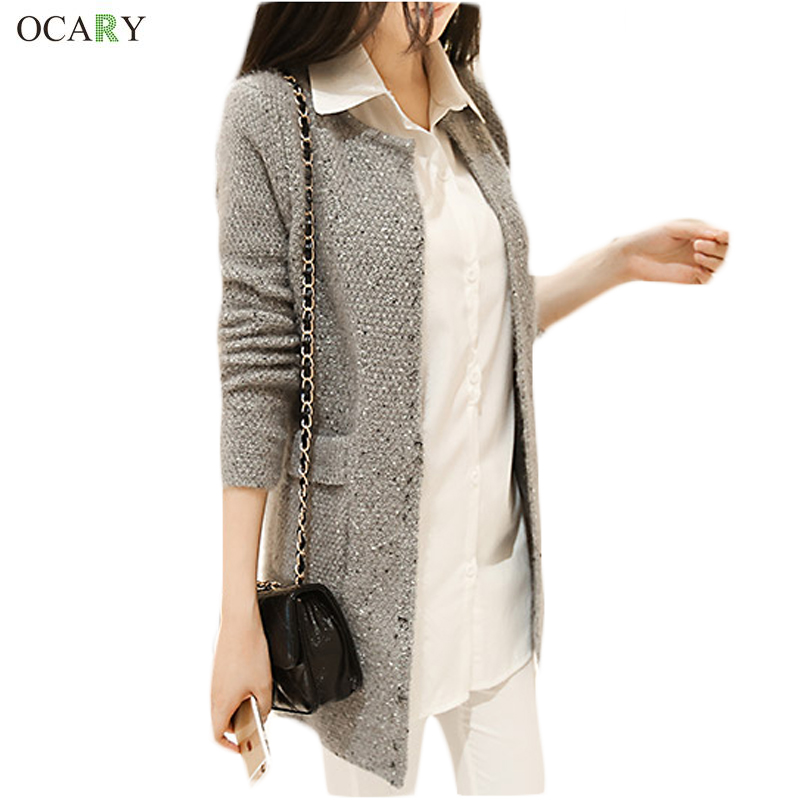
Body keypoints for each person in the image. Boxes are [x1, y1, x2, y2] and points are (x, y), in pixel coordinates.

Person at [209, 2, 730, 795]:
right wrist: (237, 615)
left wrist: (617, 262)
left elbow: (479, 320)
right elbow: (258, 368)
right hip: (366, 599)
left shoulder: (468, 107)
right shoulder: (273, 115)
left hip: (496, 576)